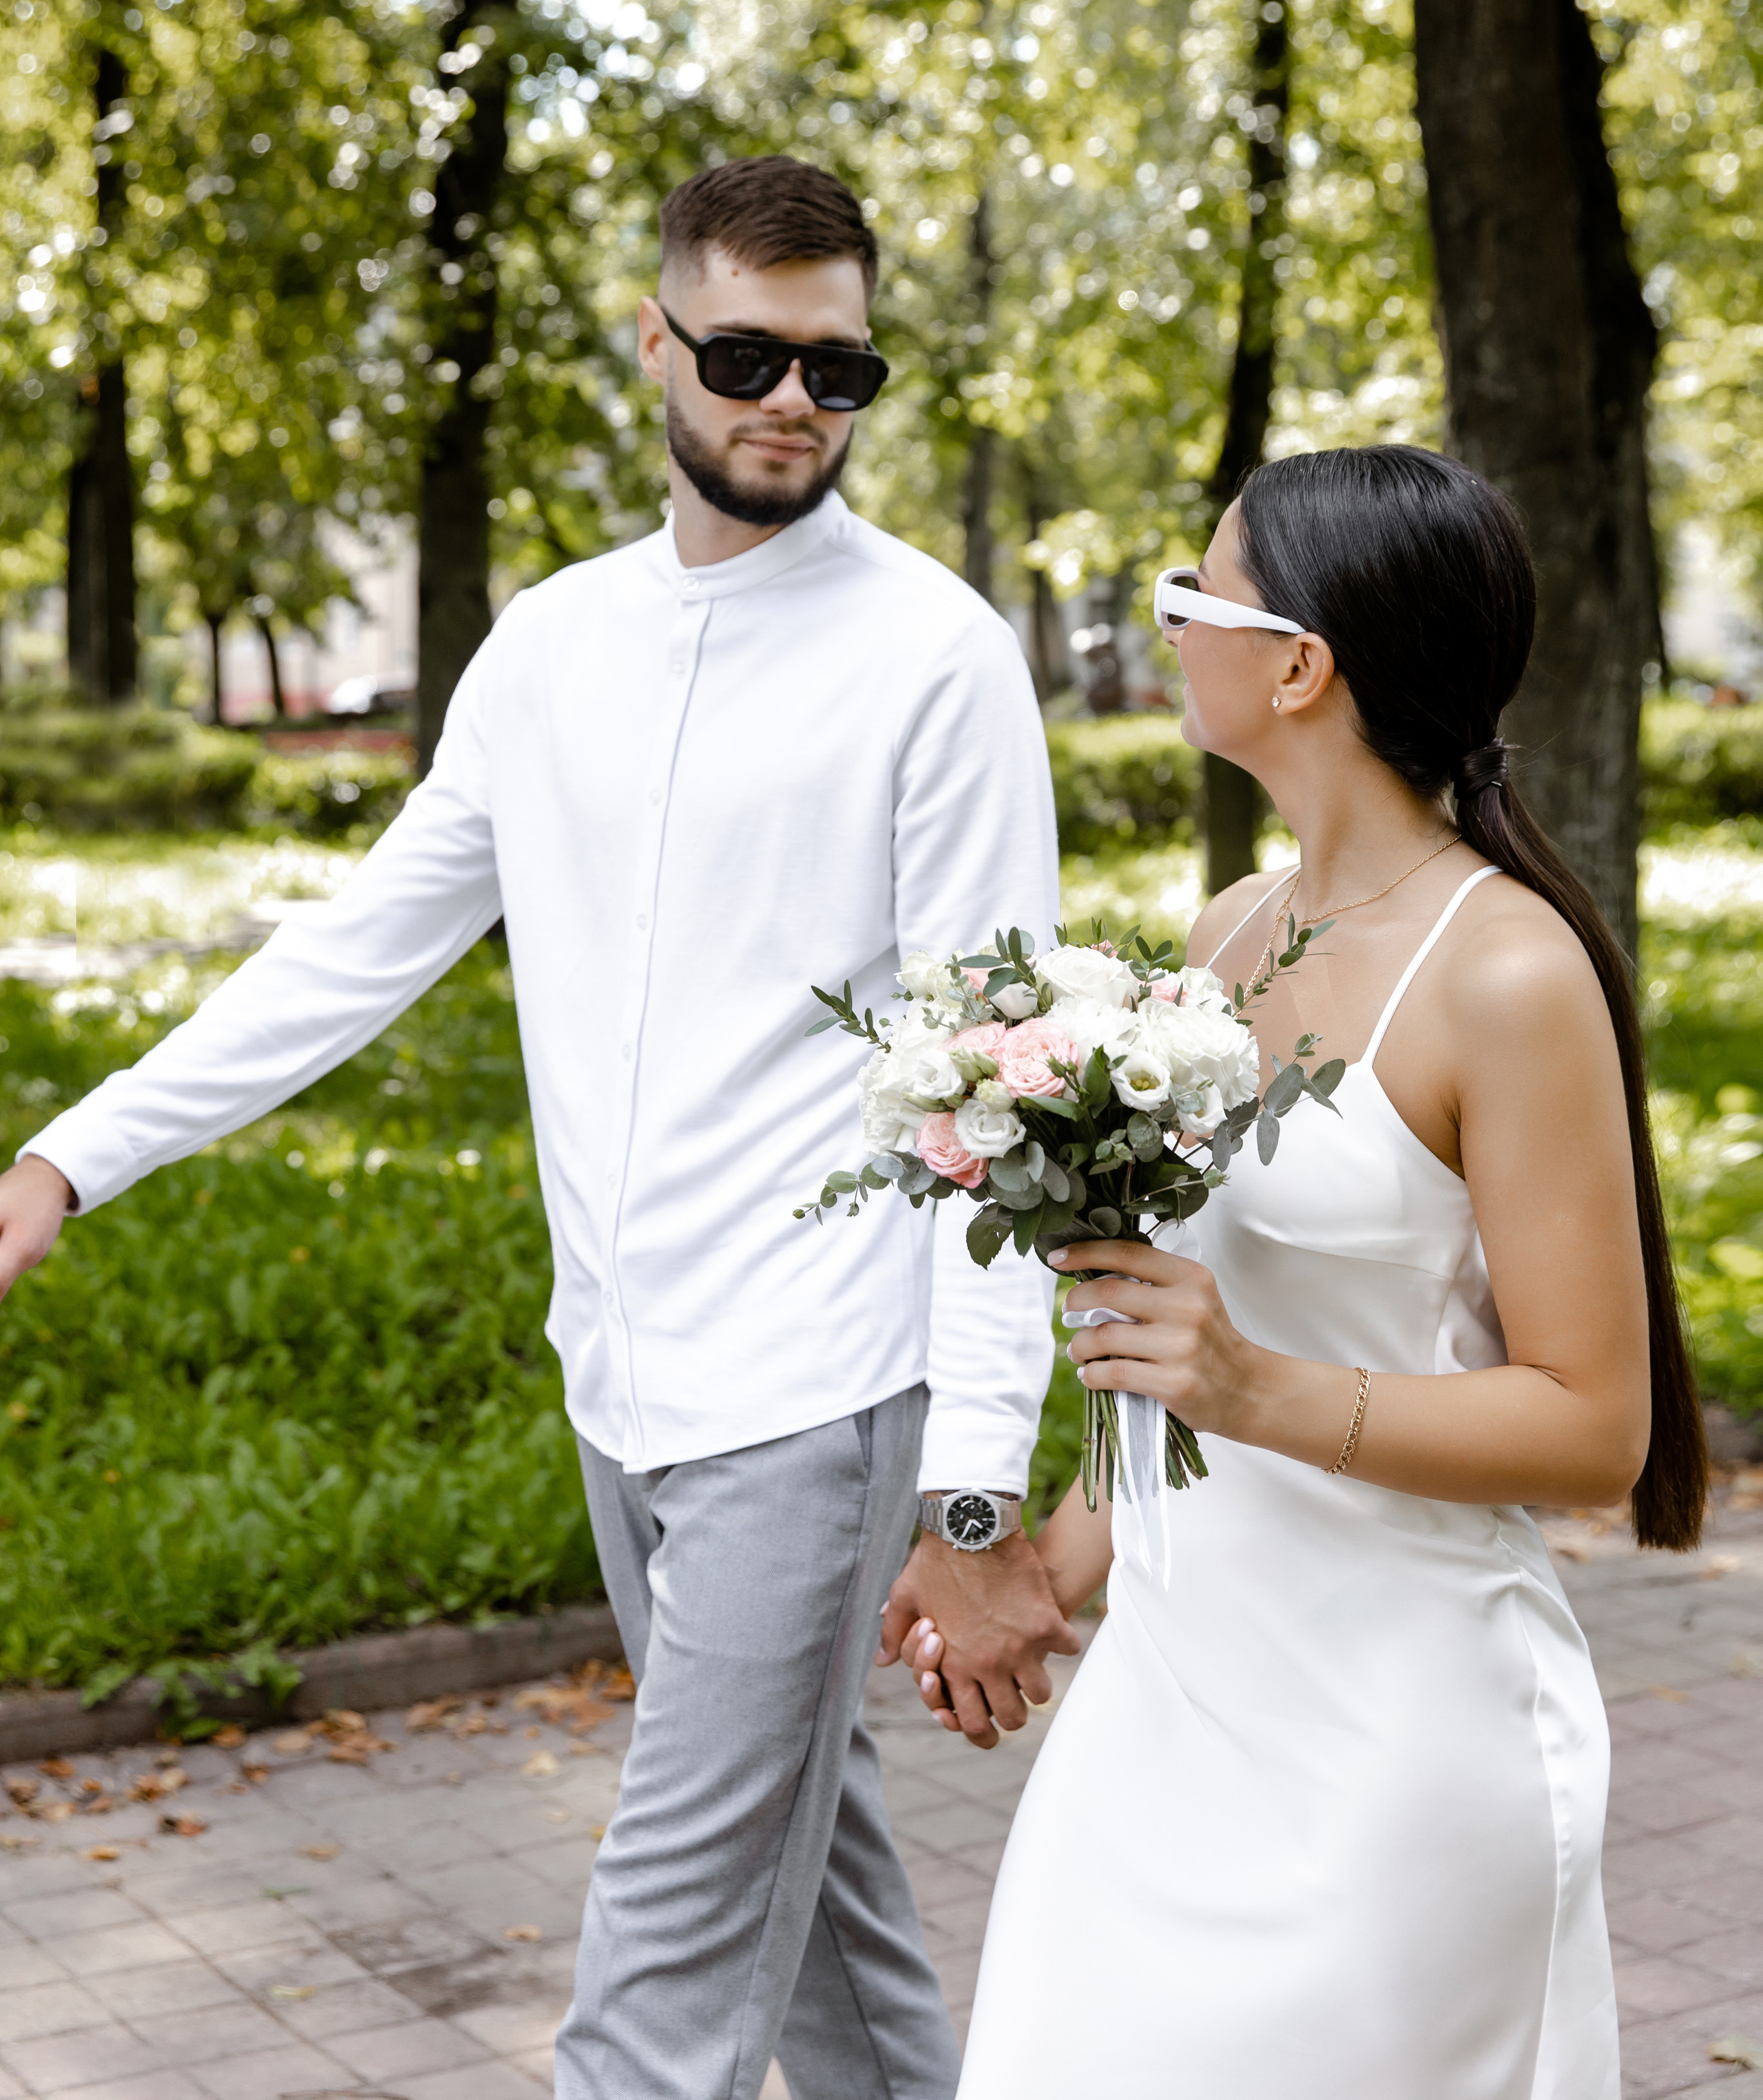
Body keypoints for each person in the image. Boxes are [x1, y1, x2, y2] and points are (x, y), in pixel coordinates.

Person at [0, 154, 1076, 2100]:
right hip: (619, 1388)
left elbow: (989, 1077)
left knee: (652, 2000)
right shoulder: (551, 644)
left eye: (838, 370)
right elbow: (357, 951)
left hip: (814, 1401)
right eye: (746, 356)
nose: (792, 403)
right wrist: (72, 1155)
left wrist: (975, 1497)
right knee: (822, 1937)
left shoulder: (938, 657)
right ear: (654, 343)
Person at [908, 444, 1707, 2100]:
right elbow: (1175, 1352)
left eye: (1191, 594)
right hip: (1164, 1710)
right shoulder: (1229, 930)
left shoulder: (1505, 971)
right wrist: (1036, 1579)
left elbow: (1592, 1428)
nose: (1166, 624)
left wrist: (1254, 1391)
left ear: (1297, 668)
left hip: (1391, 1746)